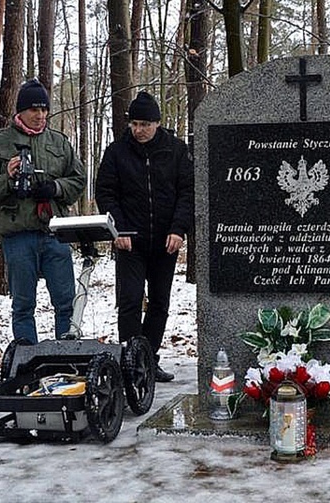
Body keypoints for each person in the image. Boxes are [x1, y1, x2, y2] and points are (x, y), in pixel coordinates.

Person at [0, 79, 85, 344]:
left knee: (66, 304)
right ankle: (27, 364)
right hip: (18, 236)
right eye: (34, 109)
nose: (40, 115)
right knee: (23, 306)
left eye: (44, 109)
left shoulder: (59, 143)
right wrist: (7, 179)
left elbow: (79, 181)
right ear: (20, 111)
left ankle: (66, 360)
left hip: (56, 234)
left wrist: (55, 187)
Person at [95, 91, 194, 382]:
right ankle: (129, 361)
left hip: (166, 241)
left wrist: (179, 228)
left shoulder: (175, 150)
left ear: (157, 123)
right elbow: (106, 193)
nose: (138, 130)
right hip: (130, 242)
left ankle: (149, 360)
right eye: (134, 124)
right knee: (130, 300)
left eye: (145, 125)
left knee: (160, 302)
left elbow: (187, 192)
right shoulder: (116, 152)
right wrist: (119, 230)